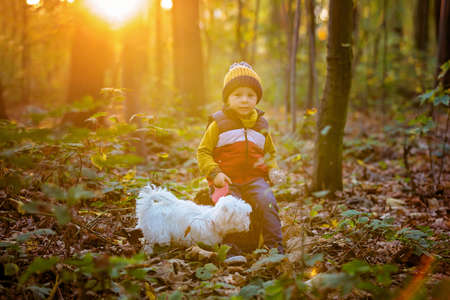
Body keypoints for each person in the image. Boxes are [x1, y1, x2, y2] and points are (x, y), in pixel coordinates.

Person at [197, 61, 284, 259]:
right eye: (237, 95)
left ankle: (274, 248)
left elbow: (270, 153)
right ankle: (229, 249)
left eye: (250, 95)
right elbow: (203, 151)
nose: (244, 100)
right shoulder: (219, 123)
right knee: (229, 206)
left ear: (257, 98)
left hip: (255, 179)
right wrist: (215, 173)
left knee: (267, 201)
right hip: (226, 179)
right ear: (228, 98)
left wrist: (273, 169)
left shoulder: (262, 125)